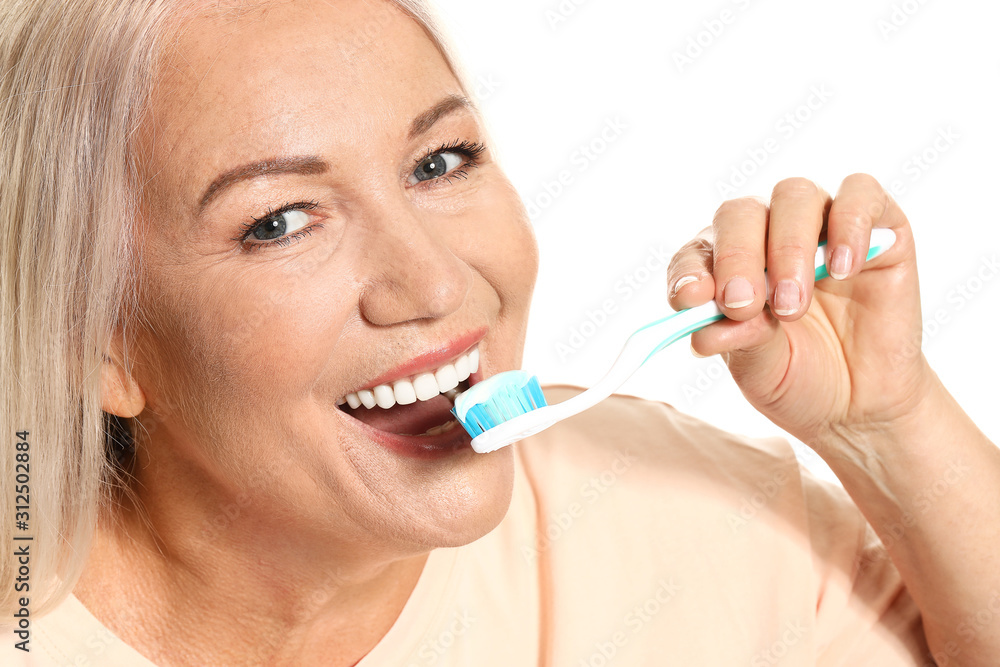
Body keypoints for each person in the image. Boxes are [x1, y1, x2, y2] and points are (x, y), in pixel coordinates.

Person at [1, 0, 997, 665]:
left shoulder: (671, 513)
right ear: (100, 346)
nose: (434, 282)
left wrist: (888, 424)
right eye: (280, 220)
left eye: (440, 161)